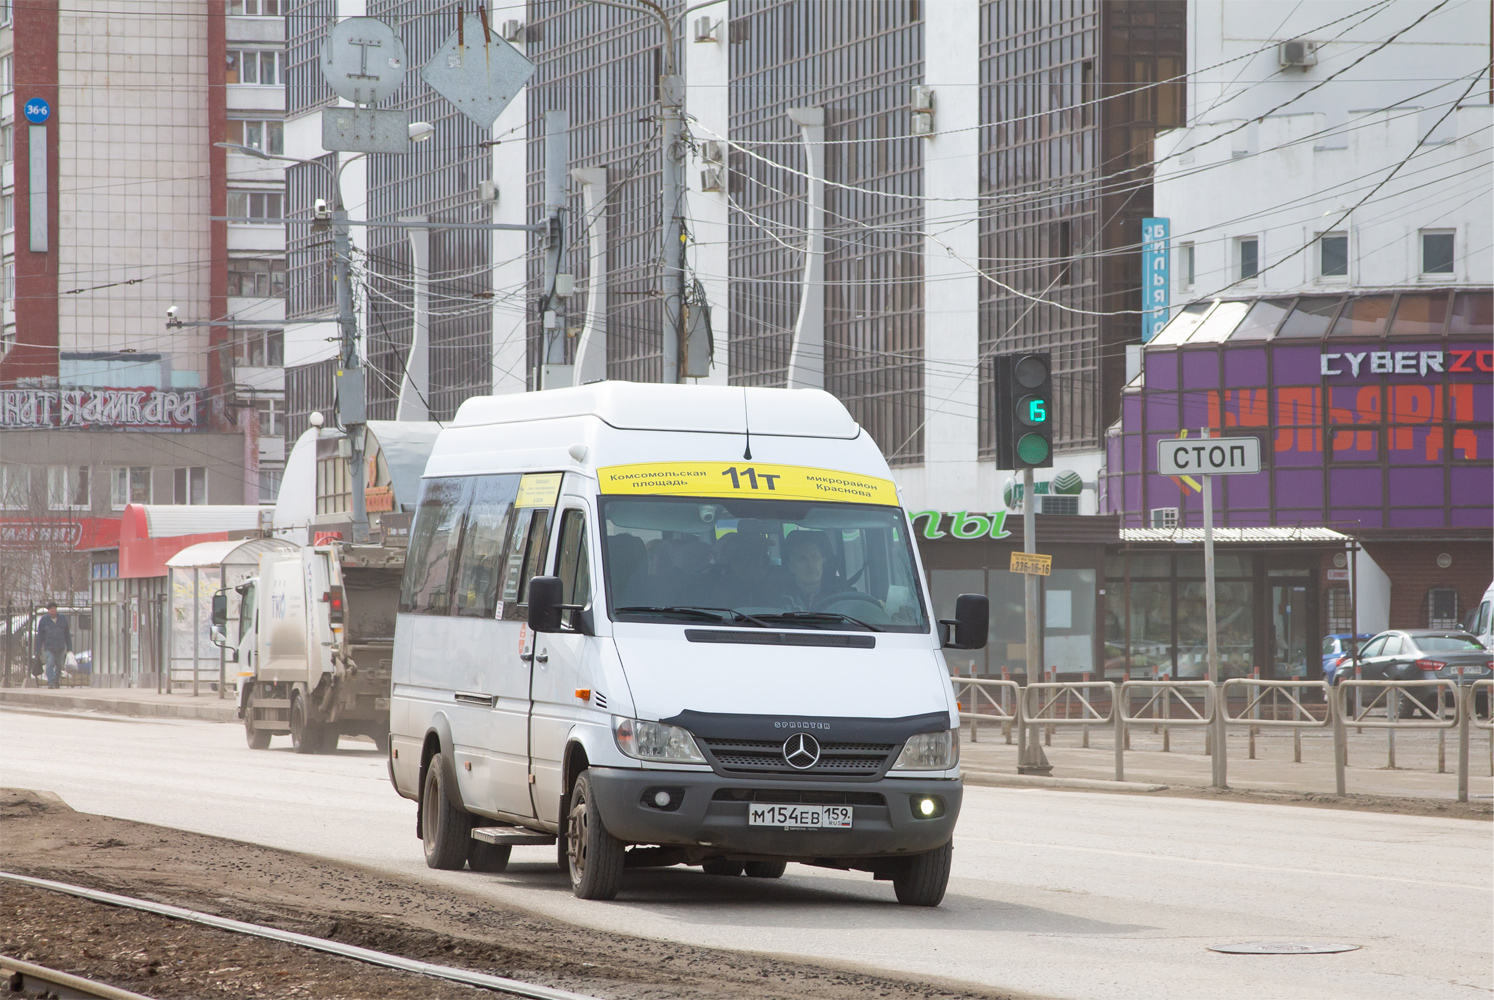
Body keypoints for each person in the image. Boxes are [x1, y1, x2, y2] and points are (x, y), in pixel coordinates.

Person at [782, 531, 836, 610]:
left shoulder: (842, 596)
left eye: (815, 557)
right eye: (802, 558)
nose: (811, 564)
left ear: (823, 561)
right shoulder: (778, 599)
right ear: (791, 566)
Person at [34, 602, 71, 690]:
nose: (53, 610)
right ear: (48, 610)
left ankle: (56, 681)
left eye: (54, 608)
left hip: (60, 647)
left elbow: (67, 634)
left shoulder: (62, 619)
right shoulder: (44, 620)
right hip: (49, 647)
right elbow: (40, 636)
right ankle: (50, 682)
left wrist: (70, 648)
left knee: (59, 665)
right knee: (50, 663)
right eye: (51, 609)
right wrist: (37, 650)